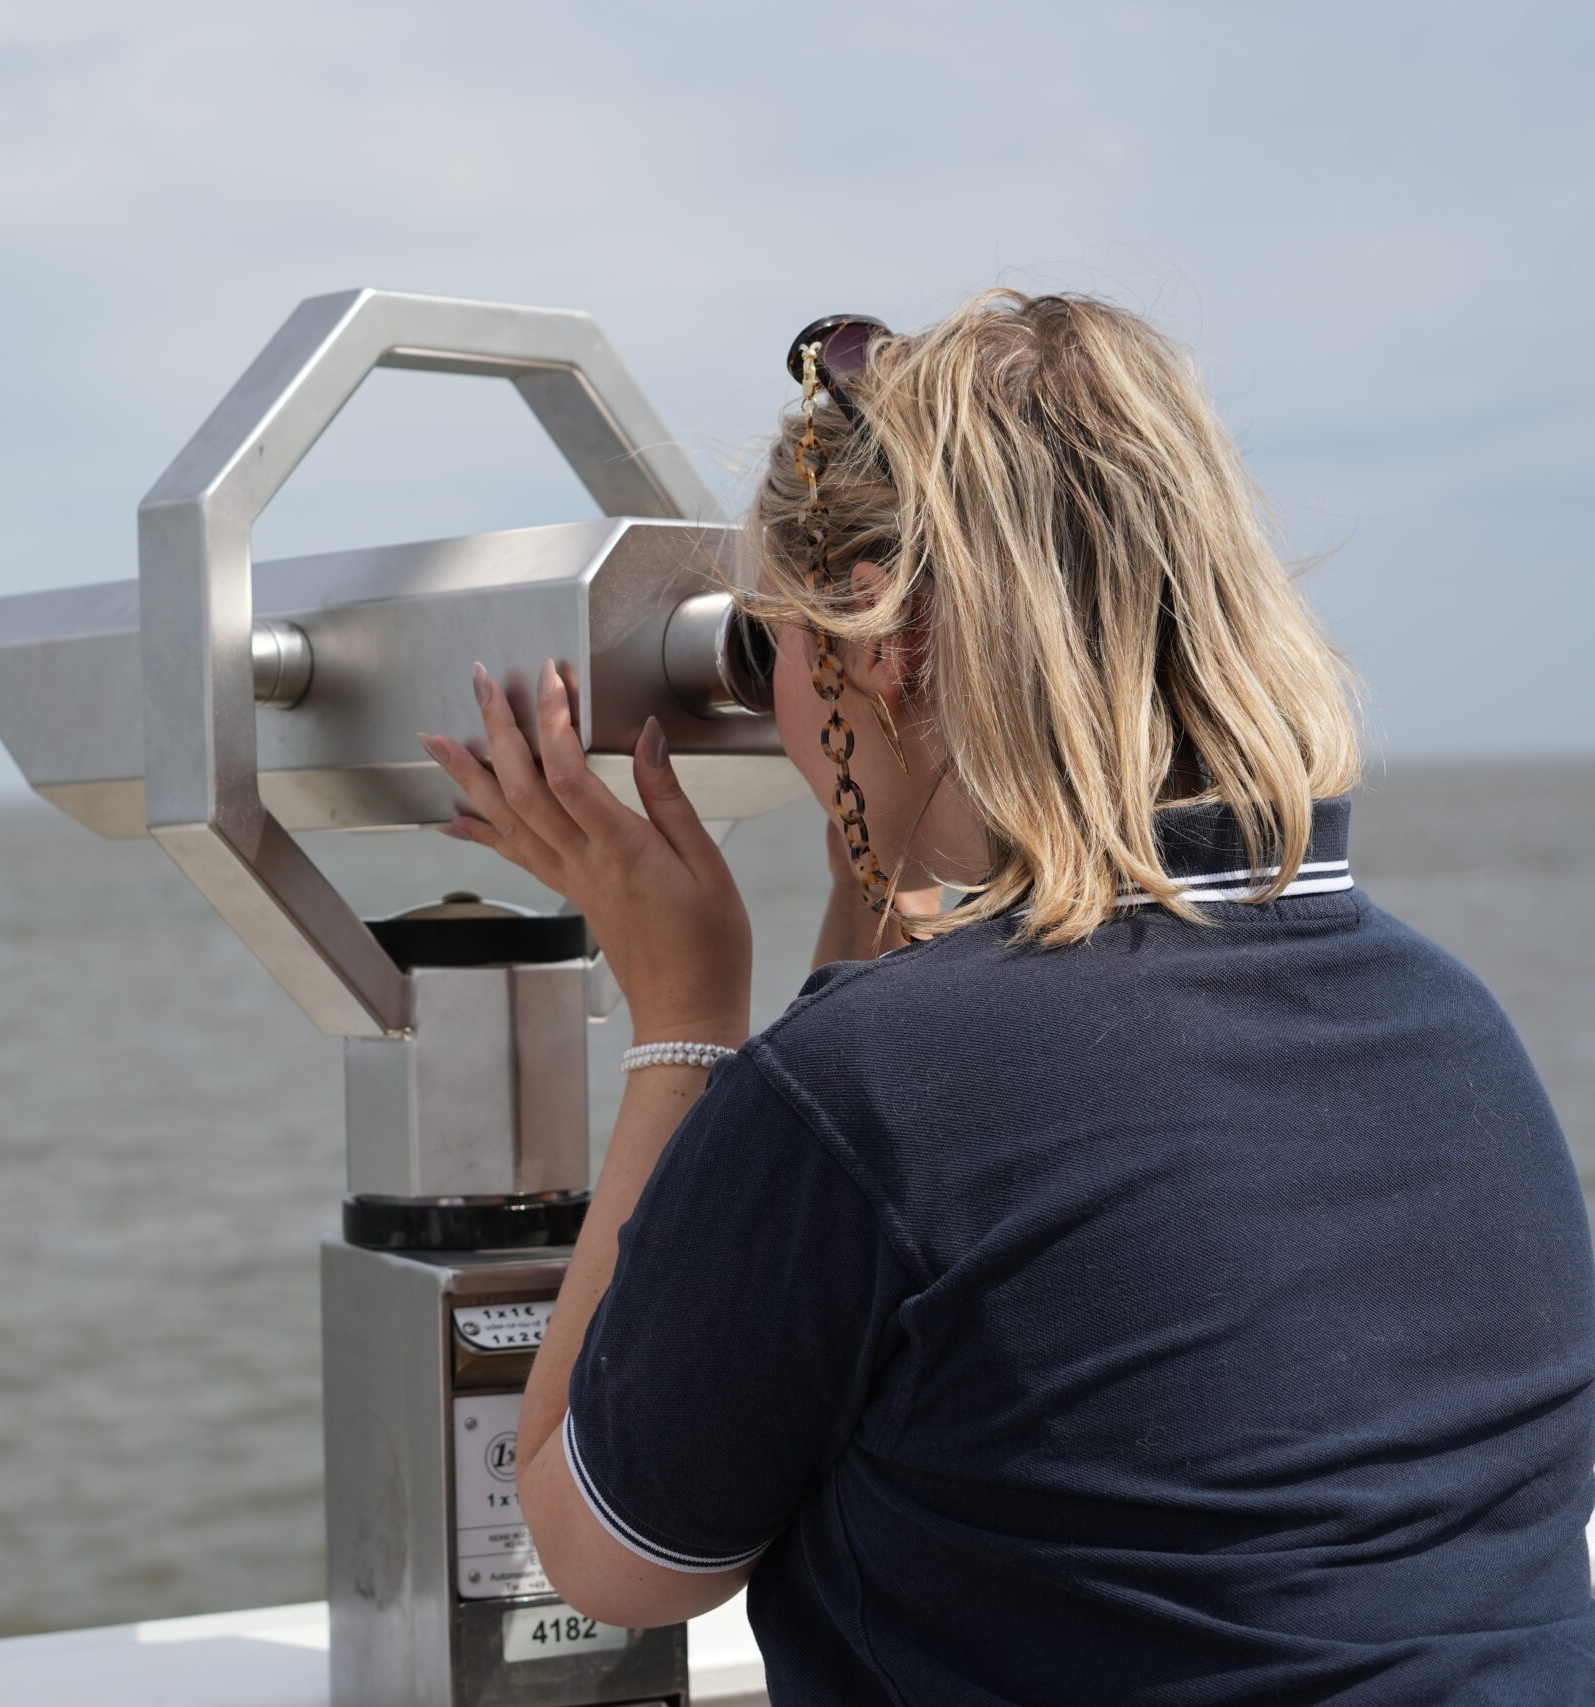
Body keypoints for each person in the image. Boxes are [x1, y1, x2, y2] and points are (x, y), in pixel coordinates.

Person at [418, 291, 1595, 1704]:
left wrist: (686, 1018)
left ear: (886, 650)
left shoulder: (872, 1093)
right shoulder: (1440, 1020)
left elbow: (608, 1556)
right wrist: (876, 832)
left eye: (778, 637)